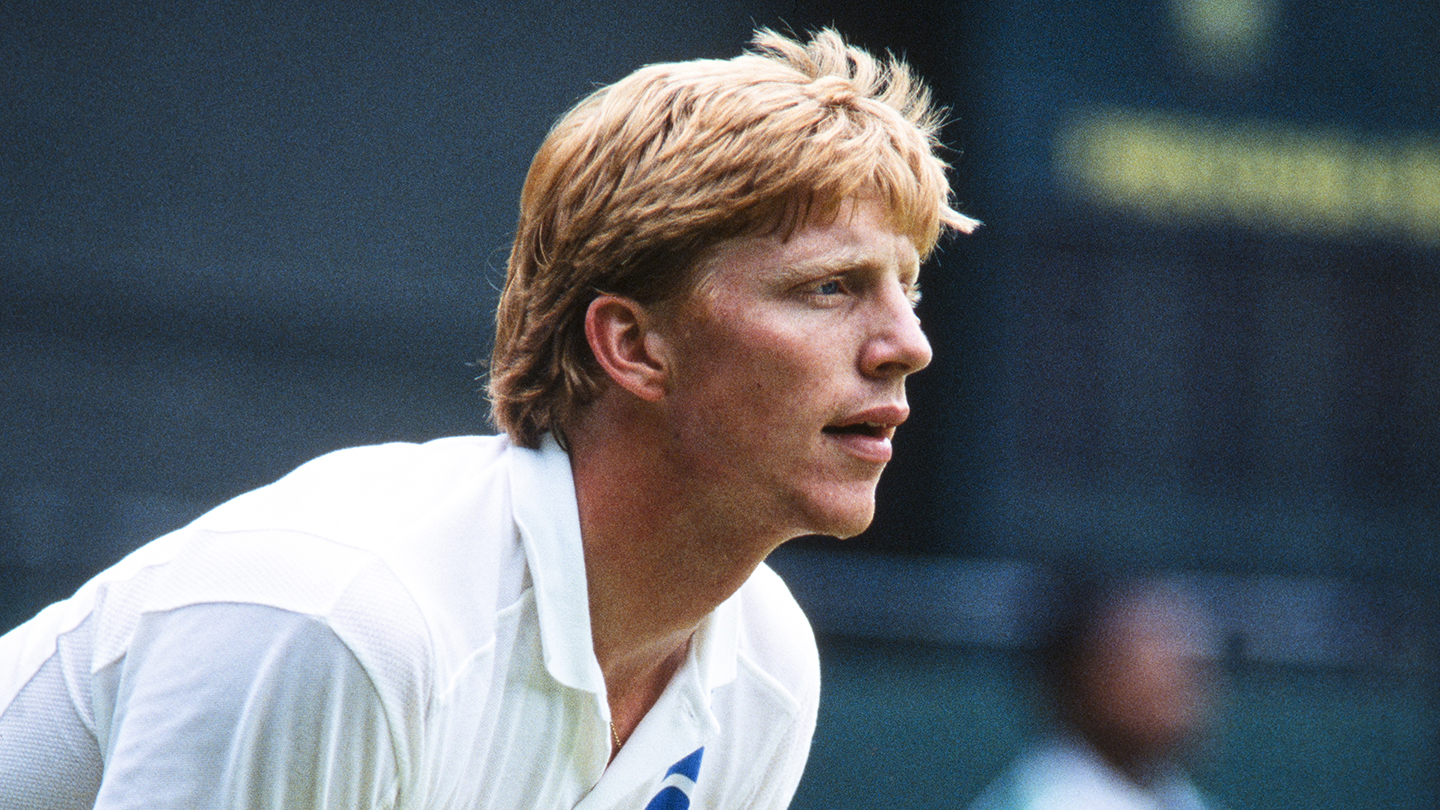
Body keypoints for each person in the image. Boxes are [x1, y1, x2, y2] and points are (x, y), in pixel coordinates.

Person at [0, 26, 979, 810]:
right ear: (633, 345)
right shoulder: (342, 619)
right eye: (829, 287)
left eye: (906, 290)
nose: (907, 343)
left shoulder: (764, 665)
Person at [967, 574, 1222, 810]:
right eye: (1156, 640)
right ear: (1082, 673)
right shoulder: (1044, 802)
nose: (1186, 663)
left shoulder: (1176, 795)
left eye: (1190, 645)